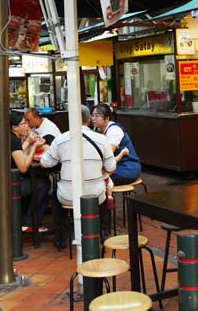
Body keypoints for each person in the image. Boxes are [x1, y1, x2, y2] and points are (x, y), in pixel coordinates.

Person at [41, 105, 116, 250]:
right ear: (89, 119)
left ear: (71, 119)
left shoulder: (60, 140)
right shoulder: (102, 140)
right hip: (96, 196)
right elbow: (111, 168)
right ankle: (102, 232)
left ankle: (61, 237)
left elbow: (45, 163)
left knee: (57, 187)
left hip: (68, 197)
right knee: (102, 187)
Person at [8, 112, 49, 233]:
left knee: (39, 181)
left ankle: (25, 219)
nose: (27, 126)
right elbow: (24, 167)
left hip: (5, 181)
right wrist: (34, 148)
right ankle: (29, 223)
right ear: (14, 127)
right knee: (43, 184)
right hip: (11, 185)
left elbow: (17, 153)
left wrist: (29, 143)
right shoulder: (13, 140)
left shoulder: (11, 138)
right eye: (24, 123)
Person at [90, 103, 141, 186]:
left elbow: (107, 154)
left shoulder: (114, 130)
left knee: (94, 180)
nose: (93, 118)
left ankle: (107, 198)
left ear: (107, 118)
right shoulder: (96, 129)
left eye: (97, 116)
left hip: (127, 169)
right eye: (92, 115)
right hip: (112, 167)